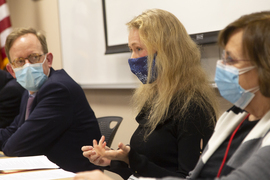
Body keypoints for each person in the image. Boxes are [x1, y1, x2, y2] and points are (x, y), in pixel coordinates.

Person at [75, 10, 270, 180]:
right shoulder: (233, 117)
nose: (132, 58)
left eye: (138, 49)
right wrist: (118, 160)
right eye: (131, 50)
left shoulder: (193, 107)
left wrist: (130, 160)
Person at [2, 27, 102, 173]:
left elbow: (14, 147)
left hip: (74, 176)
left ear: (48, 60)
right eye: (20, 61)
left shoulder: (58, 89)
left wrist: (7, 143)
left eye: (34, 57)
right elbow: (13, 130)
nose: (28, 65)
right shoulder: (30, 92)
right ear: (11, 70)